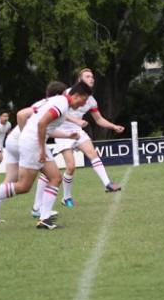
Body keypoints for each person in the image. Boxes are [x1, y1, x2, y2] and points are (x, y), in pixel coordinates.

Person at [0, 81, 91, 230]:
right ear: (77, 95)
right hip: (33, 143)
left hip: (32, 141)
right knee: (23, 186)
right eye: (83, 101)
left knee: (55, 177)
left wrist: (67, 135)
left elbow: (44, 127)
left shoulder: (57, 101)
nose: (81, 105)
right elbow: (41, 124)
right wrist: (41, 149)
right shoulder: (61, 104)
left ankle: (44, 219)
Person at [51, 68, 124, 208]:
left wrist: (114, 127)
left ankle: (107, 183)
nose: (91, 79)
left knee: (93, 154)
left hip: (77, 131)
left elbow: (99, 120)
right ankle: (66, 197)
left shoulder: (91, 100)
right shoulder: (67, 93)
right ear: (80, 79)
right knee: (71, 167)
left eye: (92, 77)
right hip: (61, 132)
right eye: (87, 76)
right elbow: (59, 112)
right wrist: (76, 121)